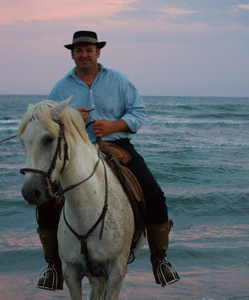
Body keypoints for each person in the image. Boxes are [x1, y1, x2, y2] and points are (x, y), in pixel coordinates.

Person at [36, 30, 180, 290]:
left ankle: (160, 260)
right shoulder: (60, 87)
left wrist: (114, 126)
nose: (84, 54)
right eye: (78, 50)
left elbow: (139, 113)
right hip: (77, 152)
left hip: (117, 146)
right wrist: (69, 118)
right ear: (72, 54)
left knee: (155, 196)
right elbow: (50, 124)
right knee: (46, 201)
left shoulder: (119, 80)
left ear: (98, 52)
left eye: (88, 50)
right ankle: (53, 266)